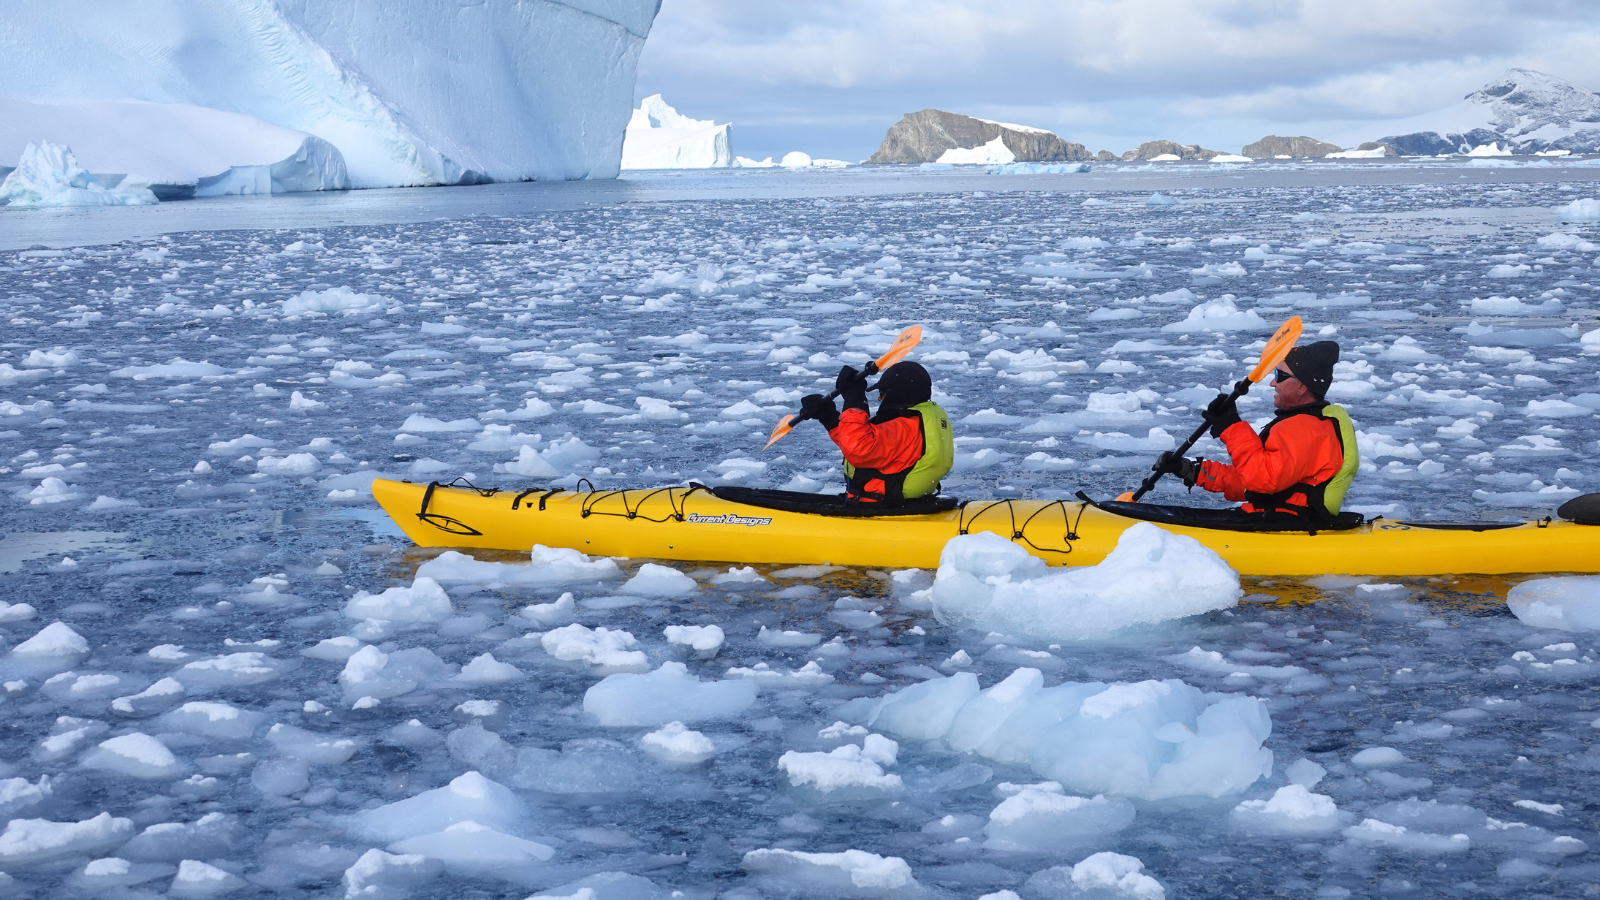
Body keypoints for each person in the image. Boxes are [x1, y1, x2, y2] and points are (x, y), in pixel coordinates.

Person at [1156, 340, 1360, 522]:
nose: (1273, 382)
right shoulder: (1309, 423)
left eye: (1280, 376)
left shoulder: (1306, 428)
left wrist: (1231, 426)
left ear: (1302, 387)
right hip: (1278, 517)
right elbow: (1250, 483)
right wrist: (1192, 470)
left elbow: (1263, 479)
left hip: (1284, 524)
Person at [799, 361, 954, 504]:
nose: (880, 399)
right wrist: (829, 418)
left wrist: (855, 399)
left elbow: (858, 447)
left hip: (881, 507)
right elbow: (861, 440)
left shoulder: (905, 426)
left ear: (897, 393)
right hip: (903, 504)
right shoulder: (917, 421)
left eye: (882, 392)